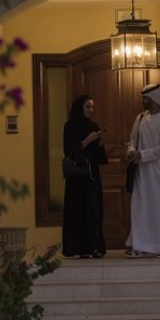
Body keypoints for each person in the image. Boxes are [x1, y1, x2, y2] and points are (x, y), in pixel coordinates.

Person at [125, 84, 160, 258]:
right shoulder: (140, 118)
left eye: (145, 98)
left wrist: (142, 154)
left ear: (154, 99)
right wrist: (132, 151)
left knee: (156, 208)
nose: (142, 101)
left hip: (158, 174)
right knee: (139, 207)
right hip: (141, 171)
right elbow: (132, 139)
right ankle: (138, 245)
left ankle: (157, 247)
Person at [62, 94, 108, 259]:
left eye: (92, 107)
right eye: (87, 107)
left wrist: (100, 142)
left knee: (93, 211)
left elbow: (101, 158)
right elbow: (69, 151)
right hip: (76, 178)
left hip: (92, 176)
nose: (90, 110)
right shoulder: (70, 126)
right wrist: (87, 140)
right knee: (77, 212)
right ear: (79, 108)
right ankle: (77, 248)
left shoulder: (93, 126)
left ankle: (94, 247)